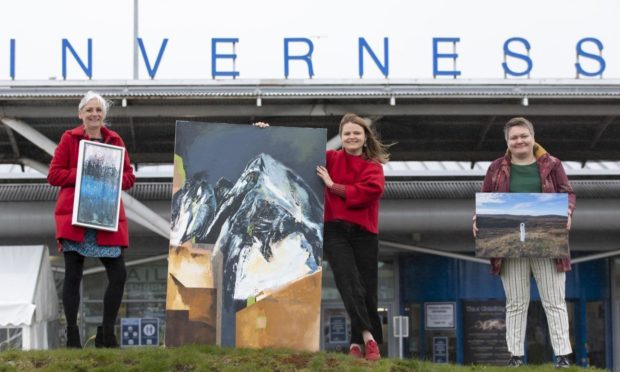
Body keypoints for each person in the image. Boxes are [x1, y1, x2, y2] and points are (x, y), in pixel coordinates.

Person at [473, 117, 575, 368]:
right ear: (507, 142)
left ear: (532, 136)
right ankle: (515, 356)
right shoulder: (496, 168)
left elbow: (568, 192)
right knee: (516, 302)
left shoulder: (552, 164)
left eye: (523, 136)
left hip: (547, 242)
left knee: (554, 301)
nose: (519, 141)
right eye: (513, 137)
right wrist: (477, 218)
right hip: (509, 245)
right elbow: (486, 197)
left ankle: (562, 356)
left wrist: (568, 212)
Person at [48, 91, 135, 348]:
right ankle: (72, 335)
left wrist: (109, 173)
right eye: (89, 110)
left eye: (98, 110)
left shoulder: (115, 140)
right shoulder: (69, 139)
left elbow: (129, 178)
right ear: (81, 115)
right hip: (75, 218)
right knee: (73, 275)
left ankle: (107, 334)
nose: (94, 114)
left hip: (105, 216)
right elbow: (54, 175)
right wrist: (86, 171)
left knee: (118, 275)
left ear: (104, 115)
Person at [316, 113, 390, 361]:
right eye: (346, 133)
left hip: (365, 233)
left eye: (356, 133)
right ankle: (370, 338)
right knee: (348, 281)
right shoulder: (330, 158)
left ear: (364, 137)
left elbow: (371, 191)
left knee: (367, 290)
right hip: (335, 230)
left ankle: (355, 344)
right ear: (341, 136)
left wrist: (333, 186)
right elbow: (296, 151)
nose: (351, 137)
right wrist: (266, 130)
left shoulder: (373, 167)